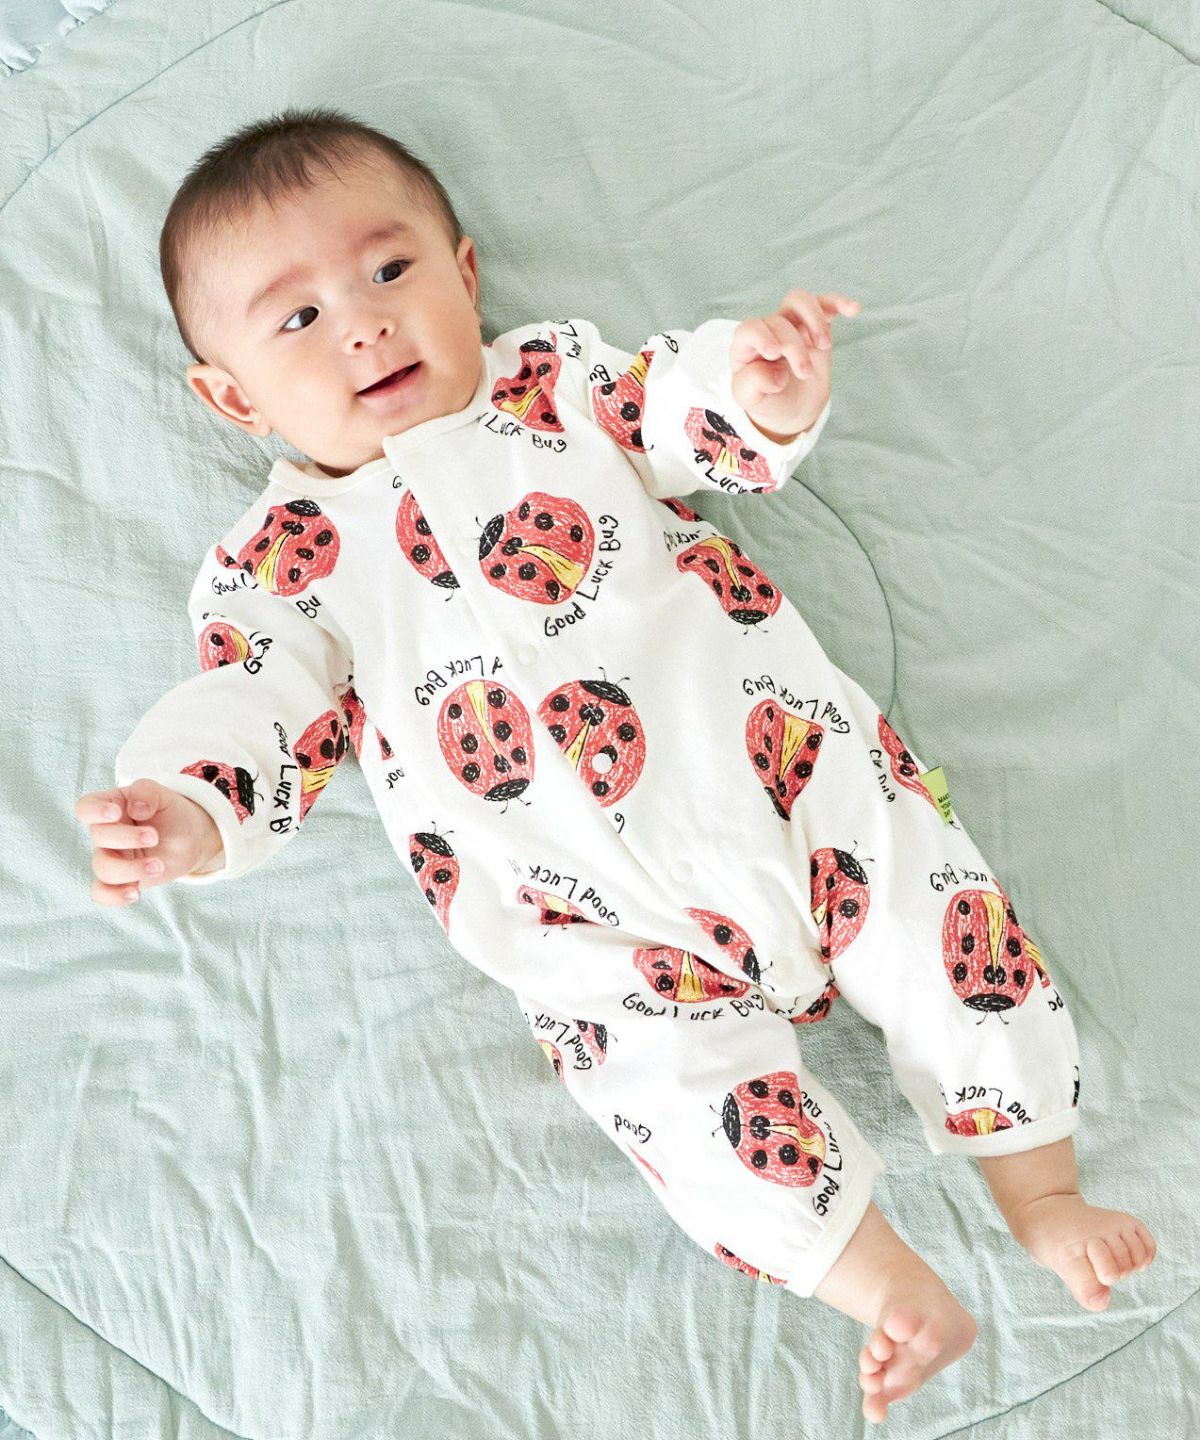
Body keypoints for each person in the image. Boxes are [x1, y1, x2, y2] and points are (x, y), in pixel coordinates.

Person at [75, 107, 1156, 1424]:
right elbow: (254, 699)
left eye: (390, 270)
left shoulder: (555, 391)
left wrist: (756, 388)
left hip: (792, 786)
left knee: (950, 937)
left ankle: (1042, 1191)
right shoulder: (286, 558)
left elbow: (675, 406)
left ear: (466, 274)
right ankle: (879, 1281)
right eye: (297, 318)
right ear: (233, 398)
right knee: (676, 1101)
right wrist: (189, 803)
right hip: (589, 930)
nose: (362, 324)